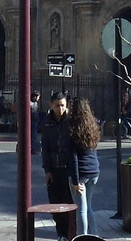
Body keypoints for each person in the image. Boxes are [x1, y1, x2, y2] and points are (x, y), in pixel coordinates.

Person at [41, 91, 74, 241]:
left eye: (63, 106)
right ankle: (60, 233)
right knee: (55, 203)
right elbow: (45, 146)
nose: (60, 109)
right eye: (57, 106)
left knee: (68, 202)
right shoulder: (48, 121)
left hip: (67, 169)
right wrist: (47, 170)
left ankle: (69, 233)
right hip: (54, 168)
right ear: (51, 105)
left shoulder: (71, 120)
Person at [65, 98, 100, 237]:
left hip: (81, 173)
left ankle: (82, 236)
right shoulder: (92, 125)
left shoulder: (72, 128)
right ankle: (95, 235)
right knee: (88, 207)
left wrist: (75, 181)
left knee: (81, 209)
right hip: (94, 171)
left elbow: (72, 157)